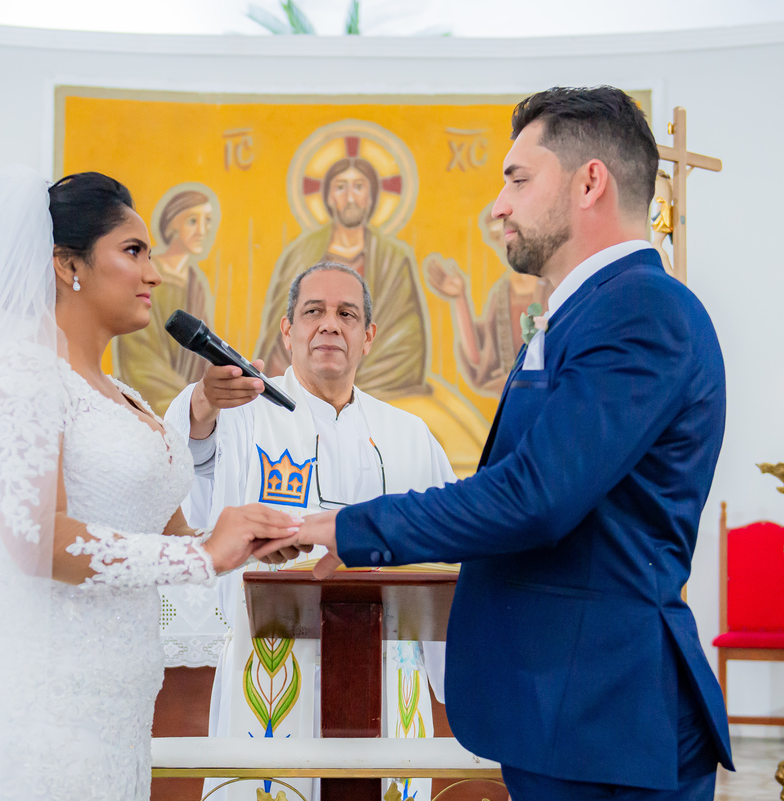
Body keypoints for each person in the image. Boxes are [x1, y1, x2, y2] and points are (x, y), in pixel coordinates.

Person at [291, 87, 735, 800]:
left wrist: (355, 526)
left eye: (518, 179)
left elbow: (535, 494)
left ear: (589, 183)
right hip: (567, 710)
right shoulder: (586, 312)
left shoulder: (641, 310)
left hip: (605, 714)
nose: (499, 205)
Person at [0, 167, 298, 801]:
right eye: (133, 251)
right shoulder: (20, 376)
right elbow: (35, 539)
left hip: (116, 707)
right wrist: (203, 555)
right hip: (34, 706)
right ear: (67, 264)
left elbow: (161, 534)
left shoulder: (120, 394)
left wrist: (246, 540)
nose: (154, 273)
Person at [165, 261, 455, 801]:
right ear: (288, 330)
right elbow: (189, 467)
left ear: (368, 336)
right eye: (313, 311)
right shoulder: (246, 412)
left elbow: (450, 547)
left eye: (347, 314)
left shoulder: (409, 435)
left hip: (387, 668)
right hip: (271, 664)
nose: (329, 325)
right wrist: (204, 403)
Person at [252, 157, 430, 400]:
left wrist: (348, 375)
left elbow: (404, 336)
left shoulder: (393, 258)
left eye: (359, 187)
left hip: (380, 381)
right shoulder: (301, 253)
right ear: (328, 197)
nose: (350, 197)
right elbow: (278, 343)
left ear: (371, 197)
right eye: (340, 187)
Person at [423, 201, 552, 396]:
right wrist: (459, 298)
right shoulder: (502, 295)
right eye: (496, 237)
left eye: (506, 234)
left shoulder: (552, 285)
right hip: (517, 397)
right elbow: (479, 359)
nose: (503, 244)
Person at [114, 185, 219, 415]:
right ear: (172, 224)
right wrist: (188, 405)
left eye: (208, 221)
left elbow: (200, 354)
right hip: (152, 402)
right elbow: (141, 357)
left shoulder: (196, 283)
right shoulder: (146, 277)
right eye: (193, 221)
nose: (202, 231)